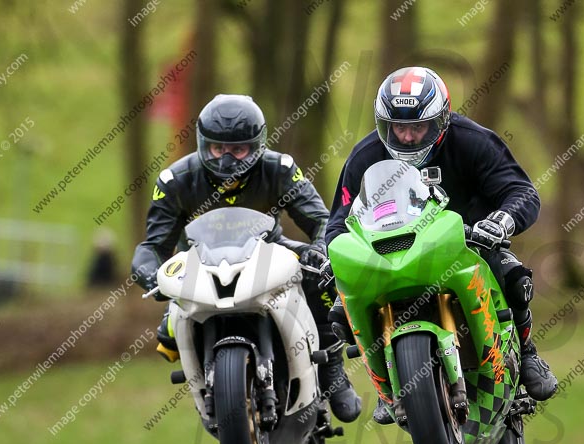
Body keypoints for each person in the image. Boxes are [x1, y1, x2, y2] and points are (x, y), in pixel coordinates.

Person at [324, 67, 558, 424]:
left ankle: (526, 354)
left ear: (441, 121)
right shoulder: (365, 155)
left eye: (418, 127)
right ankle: (385, 385)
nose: (407, 137)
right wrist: (334, 253)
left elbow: (521, 190)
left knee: (513, 276)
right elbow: (339, 218)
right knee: (341, 309)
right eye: (397, 128)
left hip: (467, 243)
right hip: (387, 251)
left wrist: (501, 221)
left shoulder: (472, 141)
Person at [131, 94, 361, 423]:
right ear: (202, 143)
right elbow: (154, 245)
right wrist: (151, 273)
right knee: (168, 330)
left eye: (238, 150)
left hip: (269, 250)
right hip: (199, 262)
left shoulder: (280, 169)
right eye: (217, 149)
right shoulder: (174, 181)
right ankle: (205, 381)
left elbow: (322, 221)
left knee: (319, 277)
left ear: (257, 146)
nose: (227, 160)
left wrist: (319, 248)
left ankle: (333, 371)